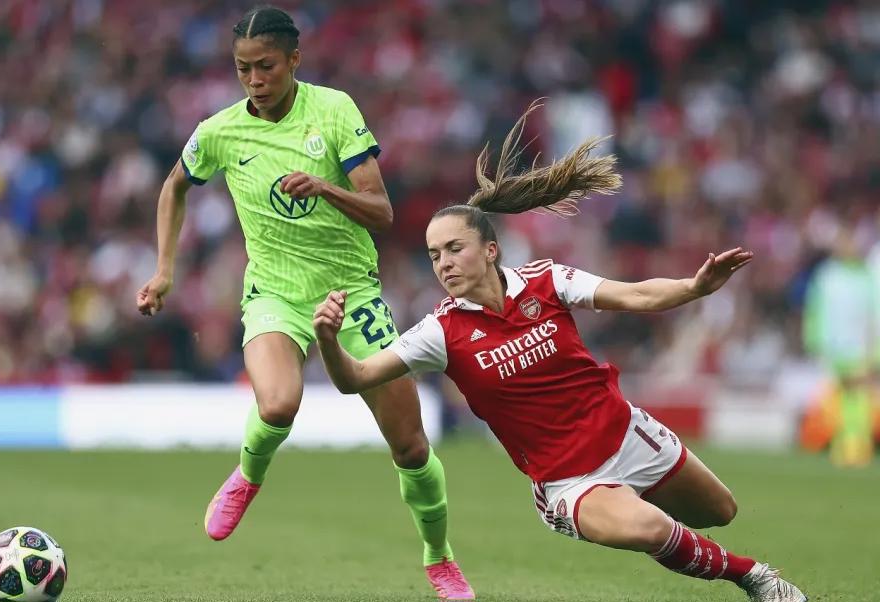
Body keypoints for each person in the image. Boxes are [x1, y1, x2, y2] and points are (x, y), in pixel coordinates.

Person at [312, 102, 807, 602]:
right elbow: (355, 378)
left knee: (720, 512)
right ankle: (755, 577)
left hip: (626, 432)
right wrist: (330, 342)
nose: (443, 263)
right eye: (434, 255)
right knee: (652, 530)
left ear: (490, 250)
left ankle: (658, 524)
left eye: (454, 249)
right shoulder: (440, 330)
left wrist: (694, 288)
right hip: (570, 480)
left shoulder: (547, 280)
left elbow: (634, 295)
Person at [135, 6, 473, 599]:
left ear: (294, 59)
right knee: (279, 402)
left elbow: (383, 211)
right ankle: (246, 476)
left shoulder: (335, 111)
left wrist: (323, 185)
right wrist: (164, 270)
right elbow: (175, 185)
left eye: (265, 66)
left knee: (411, 445)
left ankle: (438, 556)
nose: (254, 79)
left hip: (352, 291)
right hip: (275, 293)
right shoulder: (219, 132)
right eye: (243, 69)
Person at [803, 220, 879, 467]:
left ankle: (858, 447)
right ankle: (842, 445)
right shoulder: (826, 276)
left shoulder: (866, 276)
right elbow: (815, 310)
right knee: (837, 398)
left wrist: (875, 349)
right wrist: (814, 339)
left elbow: (874, 314)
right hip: (833, 346)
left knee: (859, 398)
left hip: (860, 346)